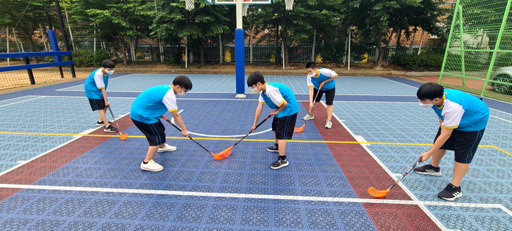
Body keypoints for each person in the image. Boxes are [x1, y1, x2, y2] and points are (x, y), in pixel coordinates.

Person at [414, 83, 489, 201]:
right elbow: (441, 116)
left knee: (462, 154)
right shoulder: (436, 98)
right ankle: (434, 168)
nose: (421, 103)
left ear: (436, 99)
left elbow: (446, 134)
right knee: (440, 141)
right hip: (456, 117)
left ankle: (455, 187)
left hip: (473, 122)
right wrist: (443, 128)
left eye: (424, 101)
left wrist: (428, 153)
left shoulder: (452, 107)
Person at [130, 76, 192, 172]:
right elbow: (176, 115)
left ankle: (161, 146)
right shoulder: (169, 95)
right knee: (156, 137)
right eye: (184, 90)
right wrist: (184, 129)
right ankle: (146, 162)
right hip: (143, 117)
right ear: (178, 87)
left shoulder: (166, 88)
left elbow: (155, 101)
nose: (184, 93)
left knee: (160, 128)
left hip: (146, 113)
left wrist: (159, 113)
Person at [247, 71, 300, 169]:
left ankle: (282, 159)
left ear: (258, 84)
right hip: (282, 109)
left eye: (252, 87)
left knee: (281, 134)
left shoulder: (270, 90)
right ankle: (277, 146)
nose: (252, 89)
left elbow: (284, 104)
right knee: (275, 127)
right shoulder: (263, 92)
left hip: (289, 110)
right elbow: (259, 108)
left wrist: (277, 111)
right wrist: (254, 124)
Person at [84, 59, 118, 132]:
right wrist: (105, 100)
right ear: (104, 67)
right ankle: (107, 126)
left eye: (113, 68)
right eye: (110, 69)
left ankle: (100, 121)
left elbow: (103, 86)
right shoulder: (98, 74)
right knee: (101, 107)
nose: (112, 70)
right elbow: (102, 88)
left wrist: (105, 100)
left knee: (105, 105)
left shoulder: (106, 73)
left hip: (98, 89)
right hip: (92, 90)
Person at [303, 62, 338, 129]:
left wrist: (325, 81)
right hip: (318, 87)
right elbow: (310, 89)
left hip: (330, 87)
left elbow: (336, 75)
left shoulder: (325, 71)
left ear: (315, 69)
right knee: (313, 102)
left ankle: (329, 121)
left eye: (310, 71)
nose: (309, 73)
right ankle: (311, 115)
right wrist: (310, 102)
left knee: (329, 103)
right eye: (308, 71)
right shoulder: (309, 77)